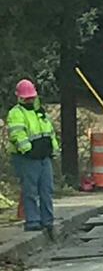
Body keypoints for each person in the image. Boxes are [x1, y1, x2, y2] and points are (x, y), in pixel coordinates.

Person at [6, 79, 59, 238]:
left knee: (46, 190)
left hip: (43, 157)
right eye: (26, 98)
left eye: (31, 97)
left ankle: (47, 220)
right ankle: (33, 221)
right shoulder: (16, 113)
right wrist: (28, 150)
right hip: (27, 158)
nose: (29, 100)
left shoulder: (40, 113)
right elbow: (17, 134)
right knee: (30, 190)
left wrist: (53, 150)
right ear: (20, 98)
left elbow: (50, 133)